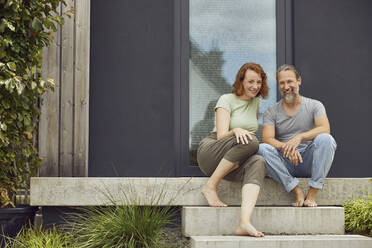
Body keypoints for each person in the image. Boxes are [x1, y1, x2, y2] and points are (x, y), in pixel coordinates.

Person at [197, 62, 269, 237]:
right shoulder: (226, 99)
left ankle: (244, 222)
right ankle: (210, 186)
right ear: (241, 81)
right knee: (252, 142)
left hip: (231, 161)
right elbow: (221, 135)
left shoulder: (256, 102)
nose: (255, 86)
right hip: (211, 150)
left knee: (259, 161)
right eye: (250, 81)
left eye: (259, 82)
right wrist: (235, 130)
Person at [258, 64, 337, 207]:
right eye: (282, 83)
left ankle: (312, 193)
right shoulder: (271, 111)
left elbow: (325, 128)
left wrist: (299, 137)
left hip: (308, 160)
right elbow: (267, 139)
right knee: (261, 148)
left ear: (298, 81)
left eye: (290, 81)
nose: (286, 86)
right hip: (285, 162)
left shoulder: (314, 105)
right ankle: (296, 190)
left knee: (326, 139)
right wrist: (286, 147)